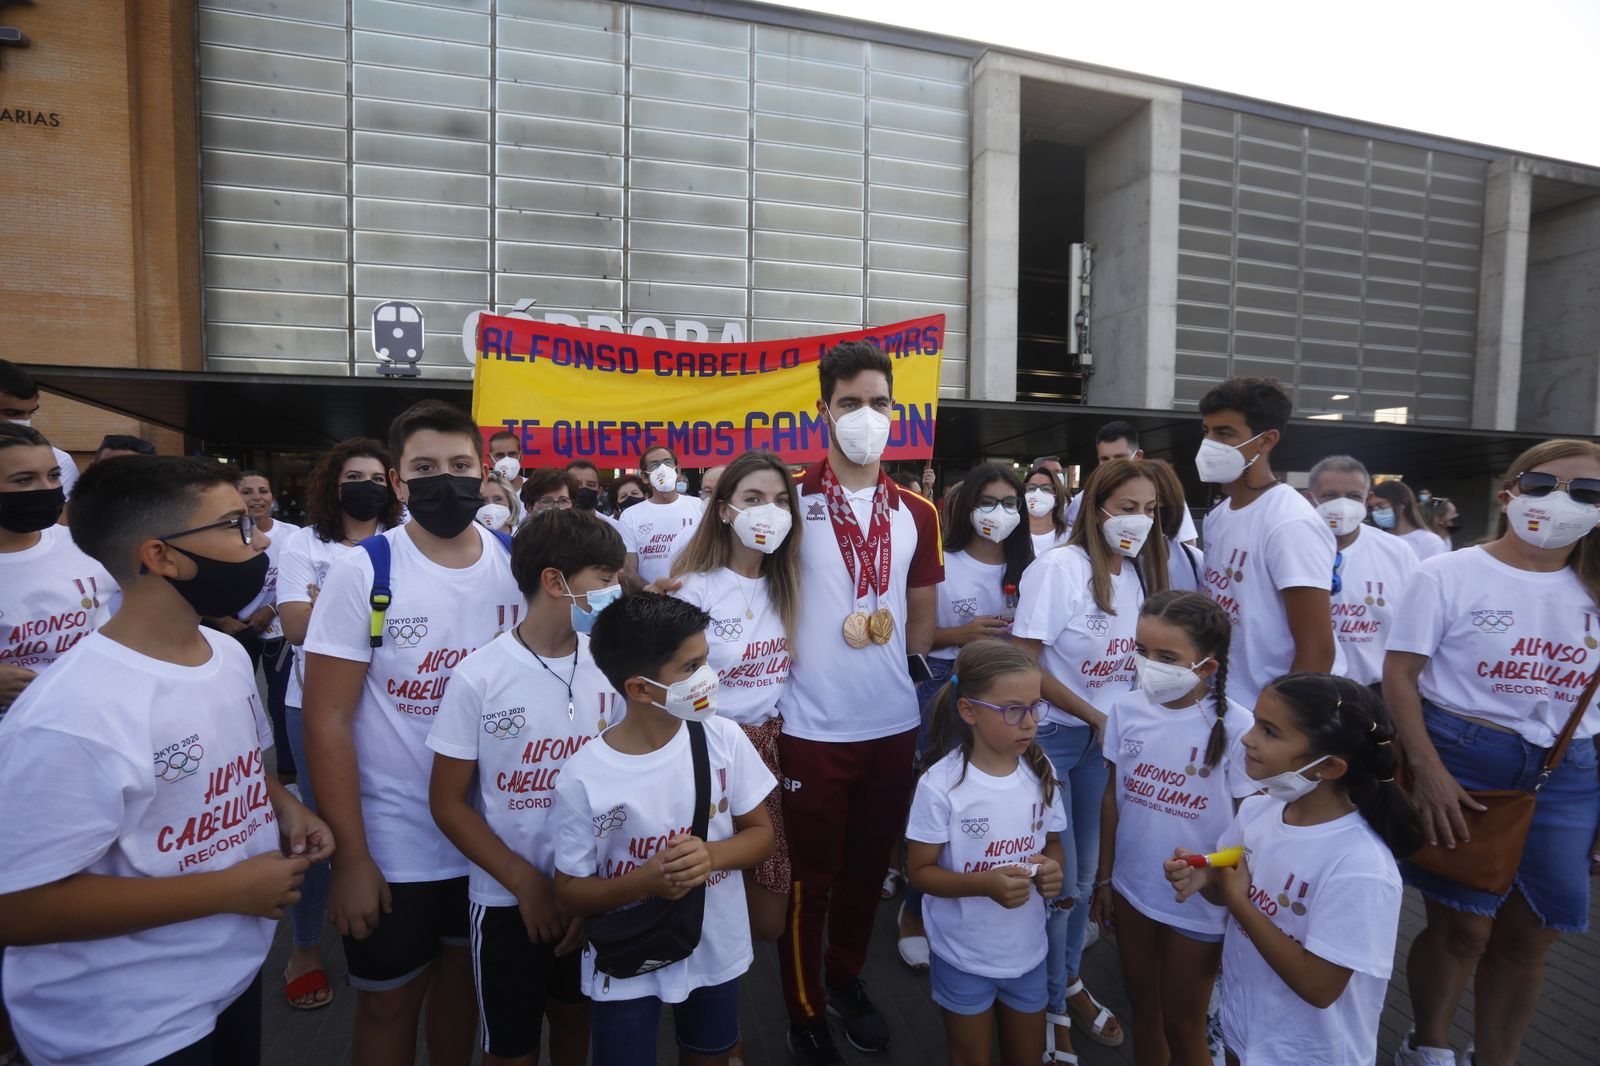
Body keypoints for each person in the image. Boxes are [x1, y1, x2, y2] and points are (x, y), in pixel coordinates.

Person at [0, 455, 332, 1066]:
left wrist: (285, 807)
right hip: (125, 1026)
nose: (259, 539)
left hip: (224, 980)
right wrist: (227, 889)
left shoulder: (224, 655)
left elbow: (242, 769)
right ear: (162, 556)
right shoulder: (71, 717)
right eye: (234, 525)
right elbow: (17, 907)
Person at [303, 400, 525, 1066]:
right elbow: (327, 720)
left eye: (460, 465)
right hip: (395, 840)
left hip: (491, 836)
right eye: (424, 467)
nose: (444, 479)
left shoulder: (518, 564)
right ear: (398, 482)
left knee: (464, 987)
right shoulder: (364, 570)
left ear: (484, 472)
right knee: (389, 1002)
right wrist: (351, 860)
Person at [1384, 439, 1600, 1066]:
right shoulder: (1448, 573)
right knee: (1463, 926)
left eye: (1585, 493)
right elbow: (1400, 677)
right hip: (1463, 760)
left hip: (1572, 771)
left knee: (1533, 937)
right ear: (1510, 491)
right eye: (1541, 485)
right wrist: (1426, 771)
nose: (1559, 502)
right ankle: (1428, 1046)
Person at [779, 340, 943, 1065]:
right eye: (849, 403)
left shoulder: (918, 512)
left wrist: (895, 659)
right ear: (823, 411)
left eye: (878, 402)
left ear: (894, 410)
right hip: (809, 724)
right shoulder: (785, 499)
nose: (865, 416)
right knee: (808, 881)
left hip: (891, 724)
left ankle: (844, 978)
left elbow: (921, 616)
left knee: (863, 873)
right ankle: (803, 1006)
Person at [428, 508, 625, 1066]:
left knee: (574, 1020)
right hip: (506, 901)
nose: (616, 591)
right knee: (511, 1049)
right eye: (605, 579)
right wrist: (526, 884)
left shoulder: (610, 665)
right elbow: (447, 803)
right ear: (555, 581)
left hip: (590, 890)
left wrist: (583, 892)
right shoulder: (479, 675)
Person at [554, 592, 776, 1066]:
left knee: (710, 1053)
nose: (708, 678)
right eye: (690, 666)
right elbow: (569, 893)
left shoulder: (722, 738)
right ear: (639, 688)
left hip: (715, 947)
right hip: (627, 959)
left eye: (706, 661)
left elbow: (762, 835)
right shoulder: (584, 776)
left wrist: (713, 856)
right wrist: (645, 882)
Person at [1165, 675, 1423, 1066]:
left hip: (1309, 1052)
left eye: (1269, 731)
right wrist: (1206, 878)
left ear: (1330, 767)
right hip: (1247, 1030)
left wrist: (1237, 901)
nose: (1249, 739)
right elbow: (1231, 883)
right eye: (1255, 722)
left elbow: (1319, 986)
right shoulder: (1258, 810)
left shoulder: (1360, 866)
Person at [1013, 458, 1168, 1060]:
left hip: (1102, 747)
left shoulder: (1132, 576)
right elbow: (1026, 664)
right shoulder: (1058, 570)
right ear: (1096, 507)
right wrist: (1097, 717)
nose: (1139, 522)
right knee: (1059, 881)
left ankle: (1068, 981)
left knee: (1080, 879)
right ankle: (1053, 1004)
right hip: (1055, 740)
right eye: (1128, 508)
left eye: (1150, 511)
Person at [1091, 591, 1254, 1066]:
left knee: (1184, 1024)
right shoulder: (1125, 711)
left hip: (1198, 902)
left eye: (1167, 657)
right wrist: (1105, 877)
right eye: (1141, 651)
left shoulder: (1239, 730)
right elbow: (1112, 798)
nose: (1148, 665)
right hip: (1132, 885)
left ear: (1206, 666)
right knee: (1144, 1006)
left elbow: (1251, 830)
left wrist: (1222, 887)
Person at [275, 437, 400, 1012]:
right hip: (316, 705)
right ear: (334, 484)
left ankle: (384, 920)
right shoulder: (305, 543)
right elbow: (297, 628)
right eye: (355, 475)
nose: (366, 485)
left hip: (394, 706)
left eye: (377, 476)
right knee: (320, 825)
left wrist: (337, 600)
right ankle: (304, 946)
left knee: (381, 812)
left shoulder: (403, 545)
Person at [906, 639, 1067, 1066]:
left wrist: (1054, 871)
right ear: (969, 711)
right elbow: (919, 872)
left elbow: (1052, 844)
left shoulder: (1041, 770)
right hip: (963, 954)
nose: (1029, 722)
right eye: (1013, 709)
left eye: (1036, 706)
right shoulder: (941, 786)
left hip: (1029, 951)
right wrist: (983, 885)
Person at [898, 464, 1034, 966]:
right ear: (965, 506)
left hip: (1009, 699)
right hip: (944, 685)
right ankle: (915, 909)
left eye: (1009, 503)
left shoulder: (1035, 566)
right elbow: (912, 635)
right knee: (936, 802)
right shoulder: (941, 562)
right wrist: (961, 635)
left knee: (991, 803)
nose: (998, 514)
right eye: (987, 502)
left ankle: (980, 894)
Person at [669, 449, 801, 944]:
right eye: (754, 498)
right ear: (724, 510)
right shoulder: (693, 587)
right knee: (698, 885)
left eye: (780, 501)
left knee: (768, 915)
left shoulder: (791, 583)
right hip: (704, 749)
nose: (770, 510)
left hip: (770, 751)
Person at [1196, 378, 1339, 706]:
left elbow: (1317, 650)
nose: (1209, 443)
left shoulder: (1290, 522)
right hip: (1223, 702)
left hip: (1263, 711)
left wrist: (1276, 723)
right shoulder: (1219, 516)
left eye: (1225, 433)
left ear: (1266, 441)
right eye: (1207, 431)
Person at [0, 423, 117, 714]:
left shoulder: (86, 544)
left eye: (54, 476)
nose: (49, 489)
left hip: (85, 722)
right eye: (24, 480)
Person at [1307, 456, 1417, 688]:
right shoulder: (1292, 546)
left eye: (1354, 496)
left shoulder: (1397, 552)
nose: (1342, 504)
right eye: (1330, 495)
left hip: (1374, 691)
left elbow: (1415, 626)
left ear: (1367, 500)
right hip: (1307, 689)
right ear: (1310, 498)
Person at [231, 470, 301, 786]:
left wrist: (271, 609)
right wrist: (223, 621)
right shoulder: (219, 533)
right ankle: (243, 777)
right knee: (236, 705)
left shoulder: (292, 536)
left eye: (263, 490)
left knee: (281, 703)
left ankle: (287, 776)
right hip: (231, 630)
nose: (257, 497)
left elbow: (298, 583)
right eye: (247, 491)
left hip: (278, 630)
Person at [1065, 422, 1199, 545]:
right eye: (1105, 459)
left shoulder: (1164, 495)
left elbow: (1186, 544)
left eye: (1120, 458)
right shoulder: (1083, 499)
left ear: (1138, 456)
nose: (1112, 465)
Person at [617, 446, 702, 585]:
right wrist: (654, 595)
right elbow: (629, 572)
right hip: (654, 603)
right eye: (654, 465)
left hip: (697, 601)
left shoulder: (699, 507)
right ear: (644, 477)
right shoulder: (630, 516)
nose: (662, 469)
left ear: (677, 470)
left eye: (668, 463)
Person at [0, 359, 80, 500]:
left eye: (31, 412)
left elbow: (60, 518)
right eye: (12, 413)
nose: (24, 420)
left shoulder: (58, 460)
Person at [1146, 459, 1203, 592]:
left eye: (1159, 499)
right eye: (1131, 506)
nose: (1150, 510)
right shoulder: (1119, 564)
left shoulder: (1194, 560)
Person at [1369, 480, 1447, 561]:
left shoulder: (1430, 542)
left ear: (1403, 503)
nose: (1376, 512)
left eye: (1381, 506)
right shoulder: (1378, 538)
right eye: (1373, 507)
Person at [1024, 464, 1071, 556]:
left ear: (1057, 497)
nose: (1037, 493)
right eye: (1031, 488)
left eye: (1046, 489)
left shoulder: (1070, 536)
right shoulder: (1012, 533)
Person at [566, 460, 624, 532]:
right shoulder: (553, 527)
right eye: (576, 484)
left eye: (590, 485)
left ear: (599, 492)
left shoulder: (614, 528)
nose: (584, 488)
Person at [487, 429, 527, 495]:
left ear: (521, 456)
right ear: (490, 459)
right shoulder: (483, 491)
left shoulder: (536, 488)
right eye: (500, 455)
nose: (506, 460)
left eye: (512, 454)